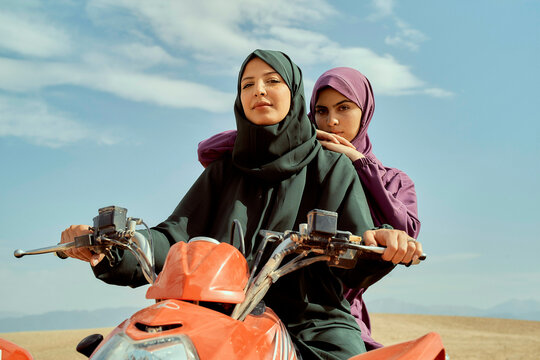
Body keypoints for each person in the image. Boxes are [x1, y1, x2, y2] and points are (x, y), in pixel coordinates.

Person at [61, 50, 423, 360]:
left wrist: (382, 242)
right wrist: (112, 246)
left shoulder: (332, 168)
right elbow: (173, 236)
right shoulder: (223, 170)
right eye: (247, 84)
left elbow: (359, 245)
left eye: (271, 81)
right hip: (215, 312)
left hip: (308, 317)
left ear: (294, 94)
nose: (258, 91)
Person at [197, 67, 421, 350]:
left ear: (365, 112)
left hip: (334, 307)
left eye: (344, 108)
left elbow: (404, 232)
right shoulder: (308, 166)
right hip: (265, 295)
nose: (332, 121)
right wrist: (293, 134)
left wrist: (359, 163)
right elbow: (207, 150)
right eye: (322, 111)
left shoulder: (393, 180)